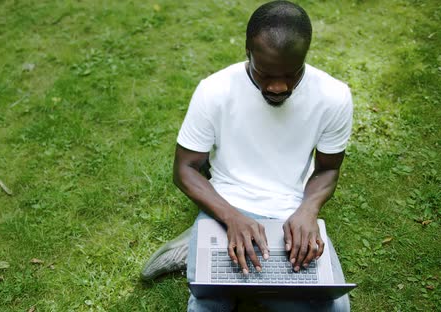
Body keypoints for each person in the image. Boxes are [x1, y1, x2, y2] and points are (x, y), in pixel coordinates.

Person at [142, 1, 353, 310]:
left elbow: (328, 169)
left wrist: (308, 210)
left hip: (289, 216)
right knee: (209, 303)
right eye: (265, 73)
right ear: (247, 51)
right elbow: (185, 168)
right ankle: (203, 239)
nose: (279, 86)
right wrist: (231, 219)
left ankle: (204, 248)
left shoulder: (334, 96)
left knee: (334, 308)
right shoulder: (214, 90)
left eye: (291, 74)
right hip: (227, 206)